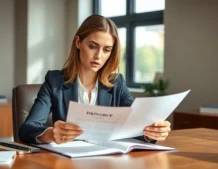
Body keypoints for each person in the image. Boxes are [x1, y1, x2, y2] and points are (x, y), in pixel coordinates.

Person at [19, 15, 171, 144]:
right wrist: (51, 134)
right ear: (78, 43)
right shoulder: (54, 81)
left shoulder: (117, 83)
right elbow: (27, 129)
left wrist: (151, 132)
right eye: (92, 46)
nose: (99, 56)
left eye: (106, 50)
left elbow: (136, 127)